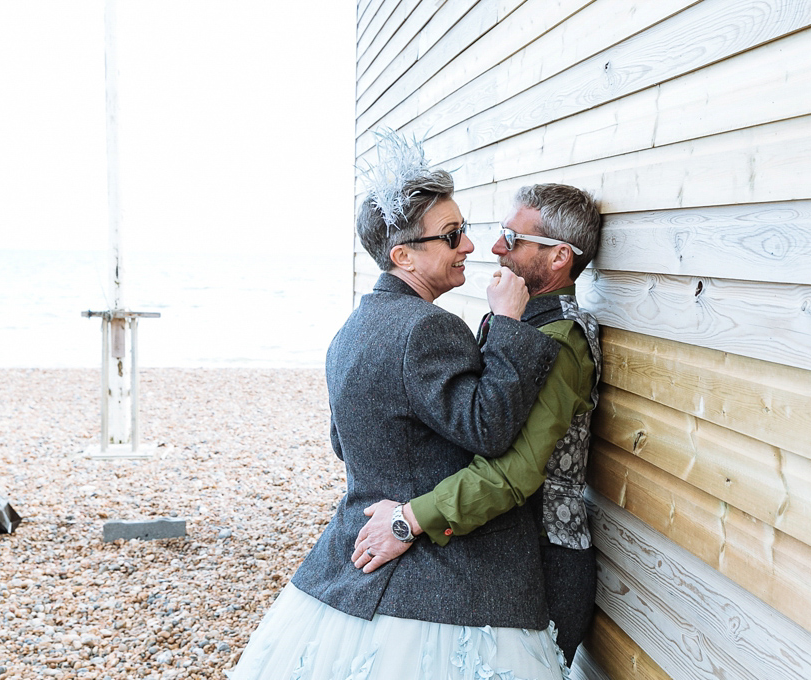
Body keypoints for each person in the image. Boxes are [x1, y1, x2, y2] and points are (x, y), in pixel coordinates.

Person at [229, 137, 569, 680]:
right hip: (447, 582)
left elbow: (346, 441)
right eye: (453, 235)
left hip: (351, 568)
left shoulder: (352, 329)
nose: (471, 246)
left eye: (464, 229)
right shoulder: (428, 327)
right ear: (402, 255)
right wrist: (506, 325)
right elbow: (489, 427)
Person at [351, 184, 603, 664]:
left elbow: (513, 472)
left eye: (514, 237)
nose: (493, 247)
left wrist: (408, 520)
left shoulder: (561, 338)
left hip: (547, 553)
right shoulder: (523, 320)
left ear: (558, 259)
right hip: (499, 549)